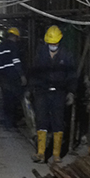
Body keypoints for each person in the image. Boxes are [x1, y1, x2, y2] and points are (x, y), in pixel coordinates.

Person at [29, 24, 77, 162]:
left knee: (58, 121)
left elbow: (72, 75)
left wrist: (71, 92)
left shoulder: (66, 55)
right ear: (46, 42)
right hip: (42, 92)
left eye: (55, 43)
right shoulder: (40, 54)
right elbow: (34, 72)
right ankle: (41, 153)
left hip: (59, 92)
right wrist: (31, 89)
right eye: (51, 43)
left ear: (59, 41)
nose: (53, 46)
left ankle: (56, 154)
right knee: (41, 120)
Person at [0, 27, 25, 129]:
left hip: (2, 78)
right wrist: (22, 76)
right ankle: (11, 123)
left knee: (6, 100)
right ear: (16, 37)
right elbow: (16, 61)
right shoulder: (13, 46)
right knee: (13, 100)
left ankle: (6, 122)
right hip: (12, 78)